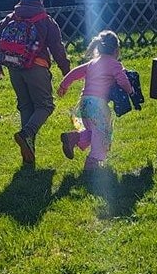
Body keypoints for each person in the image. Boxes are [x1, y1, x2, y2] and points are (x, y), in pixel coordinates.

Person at [0, 0, 71, 165]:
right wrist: (66, 71)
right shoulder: (46, 21)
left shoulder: (10, 18)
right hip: (37, 67)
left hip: (14, 67)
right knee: (45, 106)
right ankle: (26, 134)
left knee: (26, 106)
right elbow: (57, 49)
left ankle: (28, 154)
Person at [57, 30, 134, 172]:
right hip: (98, 106)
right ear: (116, 50)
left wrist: (63, 85)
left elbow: (74, 73)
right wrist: (131, 91)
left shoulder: (92, 63)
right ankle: (93, 163)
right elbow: (123, 80)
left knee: (94, 132)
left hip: (84, 104)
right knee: (103, 133)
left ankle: (74, 138)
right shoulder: (114, 64)